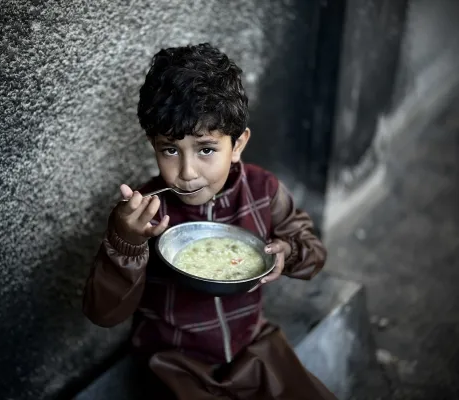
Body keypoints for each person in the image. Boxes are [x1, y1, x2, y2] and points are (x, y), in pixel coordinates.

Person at [83, 43, 336, 400]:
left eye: (206, 149)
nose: (186, 173)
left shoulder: (264, 190)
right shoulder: (143, 213)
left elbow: (314, 253)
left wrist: (288, 253)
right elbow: (103, 313)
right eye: (170, 149)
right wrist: (126, 241)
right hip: (175, 364)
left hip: (253, 348)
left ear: (237, 144)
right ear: (152, 145)